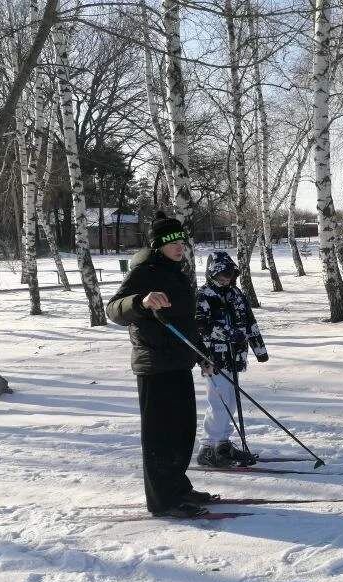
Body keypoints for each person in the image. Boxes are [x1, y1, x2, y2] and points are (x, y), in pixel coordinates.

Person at [106, 211, 212, 518]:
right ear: (158, 245)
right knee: (160, 436)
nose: (179, 247)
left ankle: (177, 487)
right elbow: (114, 309)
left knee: (182, 432)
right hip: (154, 365)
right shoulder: (144, 272)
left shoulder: (177, 272)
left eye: (181, 241)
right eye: (172, 242)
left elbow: (185, 322)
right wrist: (141, 301)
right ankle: (163, 500)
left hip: (179, 362)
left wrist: (202, 354)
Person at [195, 250, 269, 468]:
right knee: (219, 402)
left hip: (235, 357)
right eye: (221, 274)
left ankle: (222, 443)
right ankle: (208, 447)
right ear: (212, 274)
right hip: (213, 358)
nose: (225, 278)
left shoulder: (237, 294)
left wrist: (260, 349)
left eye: (229, 274)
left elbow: (250, 322)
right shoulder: (204, 295)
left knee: (230, 401)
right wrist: (229, 334)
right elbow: (200, 326)